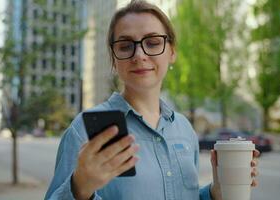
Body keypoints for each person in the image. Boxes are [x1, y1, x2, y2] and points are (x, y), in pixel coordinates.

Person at [44, 1, 260, 199]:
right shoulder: (85, 130)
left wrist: (216, 192)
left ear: (172, 51)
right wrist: (79, 188)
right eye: (126, 46)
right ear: (113, 58)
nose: (139, 55)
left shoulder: (184, 129)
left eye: (153, 42)